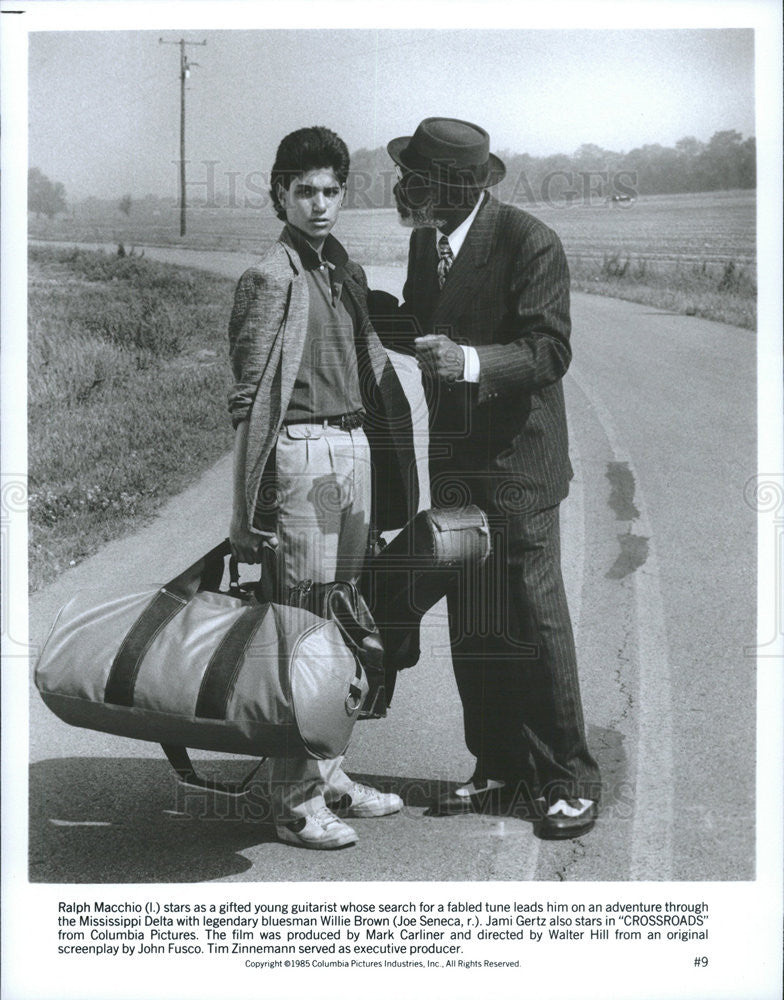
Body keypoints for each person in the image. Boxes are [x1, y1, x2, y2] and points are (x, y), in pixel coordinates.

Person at [370, 117, 601, 839]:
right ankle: (499, 769)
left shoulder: (529, 241)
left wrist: (469, 363)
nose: (403, 186)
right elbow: (421, 323)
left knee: (534, 617)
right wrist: (358, 301)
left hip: (520, 469)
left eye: (415, 176)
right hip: (460, 468)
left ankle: (568, 779)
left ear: (458, 183)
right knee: (475, 622)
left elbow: (547, 349)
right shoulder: (424, 240)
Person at [228, 126, 418, 850]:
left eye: (331, 190)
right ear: (279, 194)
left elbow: (374, 369)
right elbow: (246, 401)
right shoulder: (269, 276)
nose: (319, 203)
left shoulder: (342, 269)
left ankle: (331, 772)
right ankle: (293, 800)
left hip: (352, 449)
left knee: (344, 621)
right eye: (304, 191)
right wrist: (251, 509)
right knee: (297, 627)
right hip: (301, 453)